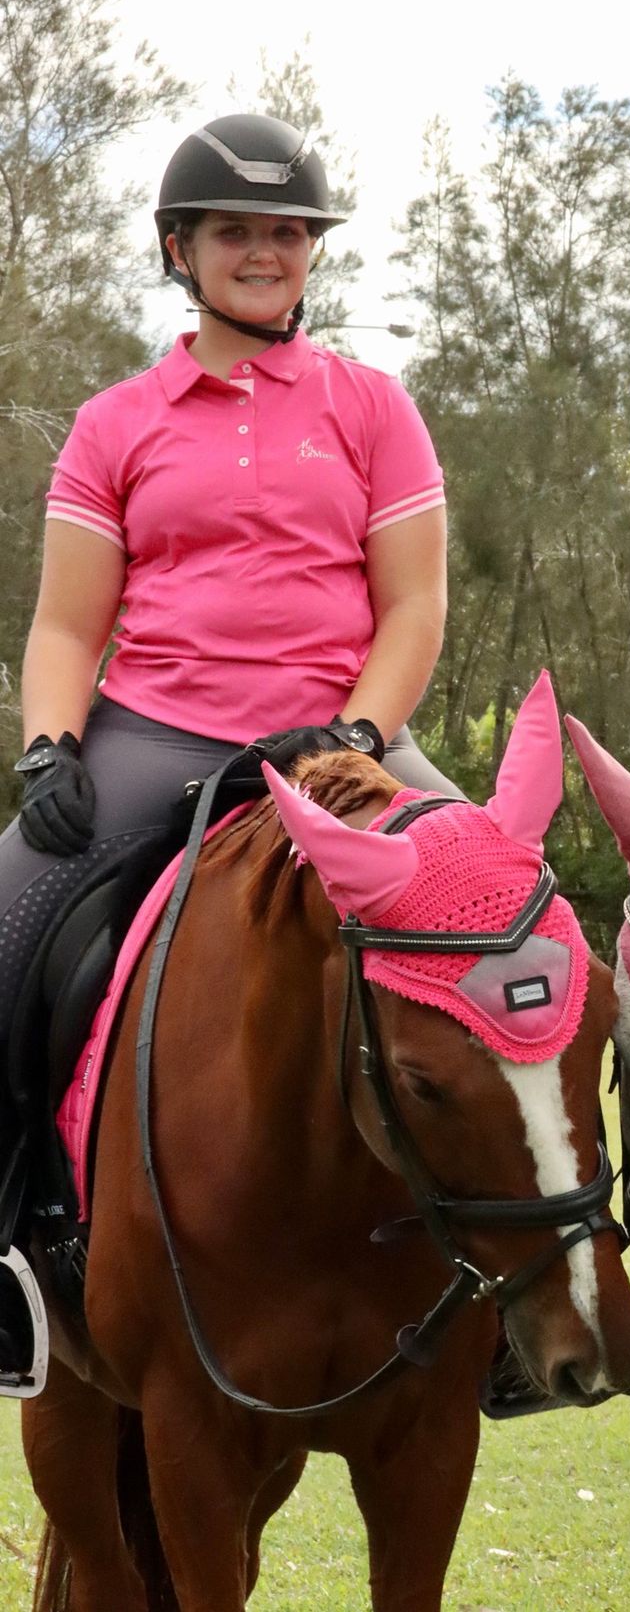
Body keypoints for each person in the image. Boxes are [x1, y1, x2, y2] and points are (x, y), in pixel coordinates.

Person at [0, 114, 458, 1386]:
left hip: (339, 738)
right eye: (236, 233)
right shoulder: (114, 424)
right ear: (180, 251)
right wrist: (50, 750)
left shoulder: (373, 409)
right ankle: (15, 1257)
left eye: (286, 234)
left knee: (515, 920)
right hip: (156, 732)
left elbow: (413, 607)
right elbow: (64, 623)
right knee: (0, 931)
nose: (265, 253)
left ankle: (539, 1282)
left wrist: (363, 733)